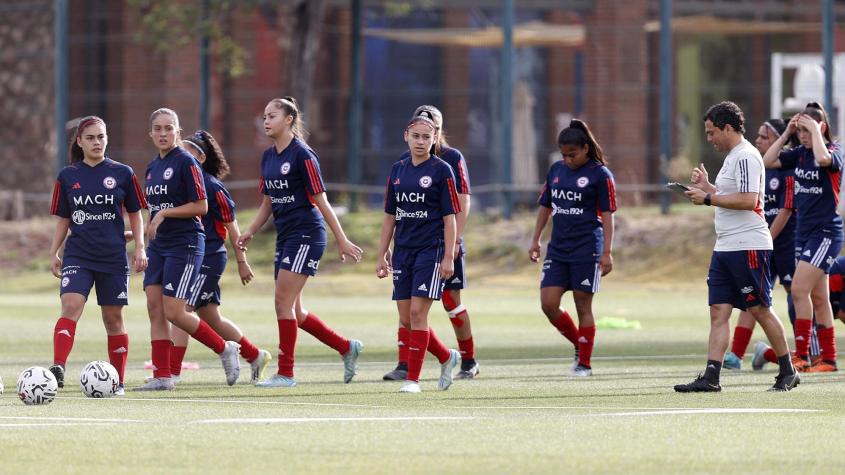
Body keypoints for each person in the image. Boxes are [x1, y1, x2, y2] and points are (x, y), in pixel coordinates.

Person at [238, 97, 364, 388]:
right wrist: (251, 231)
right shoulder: (269, 157)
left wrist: (342, 240)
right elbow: (268, 202)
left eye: (272, 116)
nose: (266, 121)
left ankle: (286, 373)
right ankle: (346, 347)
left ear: (289, 120)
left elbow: (322, 201)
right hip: (286, 236)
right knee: (295, 311)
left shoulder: (303, 155)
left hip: (307, 234)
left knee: (281, 302)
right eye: (264, 116)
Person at [674, 101, 798, 392]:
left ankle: (788, 371)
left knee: (759, 309)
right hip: (726, 247)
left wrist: (706, 199)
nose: (709, 138)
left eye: (711, 132)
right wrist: (708, 187)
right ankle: (711, 377)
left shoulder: (746, 157)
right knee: (718, 310)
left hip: (748, 245)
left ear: (728, 128)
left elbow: (748, 201)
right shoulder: (732, 157)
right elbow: (730, 196)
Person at [137, 108, 241, 391]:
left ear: (177, 132)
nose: (162, 133)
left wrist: (164, 214)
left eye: (168, 128)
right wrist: (142, 243)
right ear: (150, 133)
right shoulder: (152, 168)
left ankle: (224, 349)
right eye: (157, 129)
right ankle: (162, 376)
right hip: (159, 246)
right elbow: (152, 211)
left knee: (174, 310)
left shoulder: (186, 162)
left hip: (185, 244)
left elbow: (201, 206)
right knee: (154, 308)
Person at [158, 130, 272, 384]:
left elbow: (232, 227)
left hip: (208, 257)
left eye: (187, 150)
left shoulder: (211, 186)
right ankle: (255, 355)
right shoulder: (180, 184)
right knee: (212, 318)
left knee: (180, 308)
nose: (181, 154)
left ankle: (173, 372)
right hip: (190, 256)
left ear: (200, 157)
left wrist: (242, 261)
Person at [48, 116, 147, 395]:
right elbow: (64, 218)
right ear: (79, 142)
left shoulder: (123, 173)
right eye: (90, 138)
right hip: (78, 255)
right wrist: (54, 251)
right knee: (70, 306)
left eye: (101, 137)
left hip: (113, 258)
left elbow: (136, 214)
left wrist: (140, 246)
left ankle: (119, 382)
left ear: (107, 139)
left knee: (113, 319)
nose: (97, 142)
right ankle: (58, 369)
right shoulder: (68, 176)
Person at [383, 105, 478, 381]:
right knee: (410, 308)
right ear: (409, 133)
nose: (423, 136)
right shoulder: (403, 163)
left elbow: (461, 201)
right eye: (418, 131)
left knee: (450, 301)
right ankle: (405, 364)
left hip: (443, 243)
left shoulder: (450, 160)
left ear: (438, 131)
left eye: (431, 127)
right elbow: (393, 211)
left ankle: (469, 359)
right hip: (410, 246)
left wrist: (455, 241)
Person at [723, 119, 820, 369]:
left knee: (795, 294)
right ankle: (735, 354)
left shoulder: (788, 169)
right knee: (751, 296)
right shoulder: (759, 167)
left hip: (784, 245)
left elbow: (786, 211)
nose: (758, 140)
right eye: (758, 136)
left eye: (764, 137)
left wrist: (764, 237)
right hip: (762, 242)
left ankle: (806, 352)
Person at [528, 119, 616, 377]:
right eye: (563, 155)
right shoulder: (556, 170)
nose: (567, 160)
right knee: (548, 303)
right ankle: (581, 345)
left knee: (582, 306)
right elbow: (546, 206)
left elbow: (609, 215)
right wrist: (536, 239)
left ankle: (584, 364)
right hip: (558, 249)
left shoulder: (600, 175)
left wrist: (607, 252)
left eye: (572, 155)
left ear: (585, 149)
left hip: (587, 248)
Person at [761, 102, 842, 372]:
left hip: (826, 233)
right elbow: (768, 160)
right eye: (801, 132)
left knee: (798, 290)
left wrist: (816, 132)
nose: (803, 137)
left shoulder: (833, 150)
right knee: (819, 297)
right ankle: (828, 359)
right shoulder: (798, 153)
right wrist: (786, 134)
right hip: (803, 234)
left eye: (807, 131)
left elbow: (824, 160)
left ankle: (803, 355)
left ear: (821, 127)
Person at [754, 255, 845, 369]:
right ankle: (767, 354)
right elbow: (843, 314)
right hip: (805, 307)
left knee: (814, 362)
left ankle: (766, 353)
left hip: (814, 303)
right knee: (813, 362)